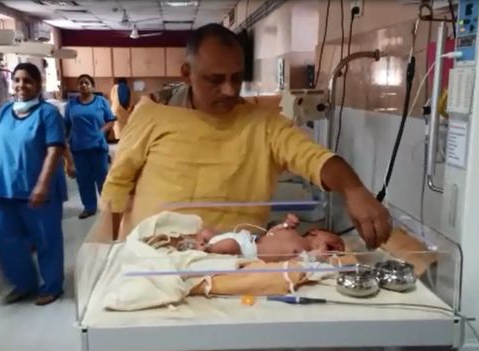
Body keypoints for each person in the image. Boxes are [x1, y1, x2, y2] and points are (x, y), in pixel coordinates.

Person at [99, 23, 391, 249]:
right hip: (153, 260)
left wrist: (354, 190)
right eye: (215, 79)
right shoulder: (152, 115)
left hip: (234, 265)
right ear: (187, 73)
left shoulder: (263, 125)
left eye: (236, 78)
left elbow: (315, 158)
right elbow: (117, 186)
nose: (229, 90)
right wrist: (108, 251)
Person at [0, 62, 67, 305]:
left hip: (39, 190)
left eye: (27, 80)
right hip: (6, 188)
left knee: (46, 239)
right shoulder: (4, 112)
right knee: (1, 236)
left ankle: (52, 285)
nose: (21, 85)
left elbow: (55, 150)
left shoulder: (48, 113)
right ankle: (24, 283)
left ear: (38, 85)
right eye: (17, 80)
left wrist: (42, 184)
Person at [192, 213, 346, 262]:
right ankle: (197, 241)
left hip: (247, 251)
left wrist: (317, 256)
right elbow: (271, 233)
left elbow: (299, 261)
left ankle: (206, 249)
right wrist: (286, 224)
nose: (339, 247)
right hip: (247, 239)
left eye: (340, 250)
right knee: (208, 232)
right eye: (337, 241)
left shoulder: (308, 253)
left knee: (229, 245)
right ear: (314, 232)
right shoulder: (294, 234)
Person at [64, 74, 116, 219]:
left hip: (97, 147)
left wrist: (102, 131)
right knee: (83, 180)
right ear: (77, 86)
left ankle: (107, 206)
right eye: (80, 83)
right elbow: (66, 126)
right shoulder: (71, 105)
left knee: (102, 179)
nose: (83, 85)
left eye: (86, 83)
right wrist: (67, 146)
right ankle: (89, 207)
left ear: (92, 86)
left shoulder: (101, 102)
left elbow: (111, 120)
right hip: (79, 148)